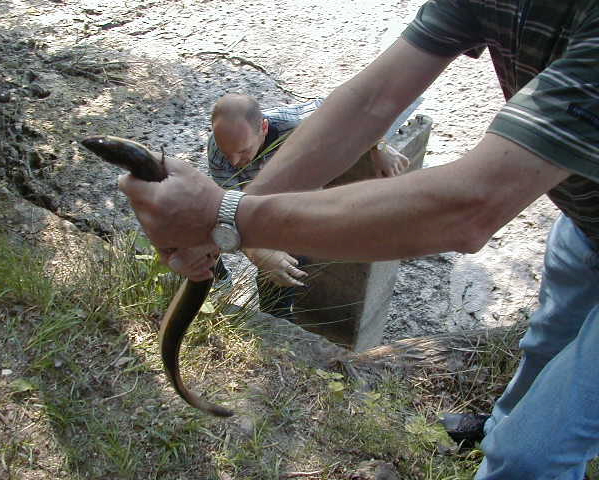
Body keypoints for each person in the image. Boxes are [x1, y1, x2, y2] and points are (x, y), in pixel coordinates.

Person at [119, 1, 599, 477]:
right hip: (583, 228)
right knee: (547, 345)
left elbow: (471, 209)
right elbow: (371, 100)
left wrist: (230, 217)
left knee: (529, 458)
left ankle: (514, 448)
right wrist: (221, 228)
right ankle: (499, 425)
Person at [207, 93, 410, 318]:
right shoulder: (219, 148)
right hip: (256, 199)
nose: (234, 162)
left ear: (264, 127)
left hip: (297, 192)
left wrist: (379, 146)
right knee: (199, 221)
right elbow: (230, 207)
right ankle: (220, 280)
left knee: (289, 260)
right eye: (228, 153)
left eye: (243, 151)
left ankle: (277, 316)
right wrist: (257, 252)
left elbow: (356, 107)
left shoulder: (298, 124)